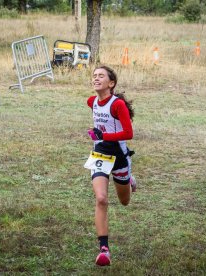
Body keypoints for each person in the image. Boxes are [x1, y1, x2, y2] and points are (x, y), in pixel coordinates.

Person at [85, 65, 136, 266]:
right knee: (101, 198)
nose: (96, 78)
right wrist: (99, 137)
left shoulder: (117, 105)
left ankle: (129, 178)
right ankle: (104, 249)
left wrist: (103, 134)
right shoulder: (92, 102)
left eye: (101, 76)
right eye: (94, 76)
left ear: (111, 83)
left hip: (119, 156)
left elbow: (128, 133)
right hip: (100, 154)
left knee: (124, 201)